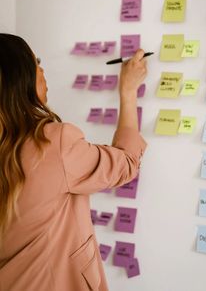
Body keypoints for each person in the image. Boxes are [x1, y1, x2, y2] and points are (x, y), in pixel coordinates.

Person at [0, 34, 147, 291]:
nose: (42, 69)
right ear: (18, 78)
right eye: (36, 61)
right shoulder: (54, 143)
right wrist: (128, 91)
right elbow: (126, 163)